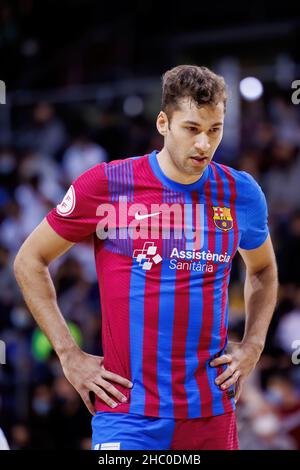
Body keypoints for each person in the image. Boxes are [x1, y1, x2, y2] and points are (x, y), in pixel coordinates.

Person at [14, 65, 278, 450]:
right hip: (127, 415)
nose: (204, 144)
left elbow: (264, 268)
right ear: (163, 123)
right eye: (192, 129)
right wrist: (69, 355)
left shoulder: (241, 193)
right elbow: (29, 260)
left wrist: (253, 345)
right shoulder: (107, 184)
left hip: (210, 412)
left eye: (214, 130)